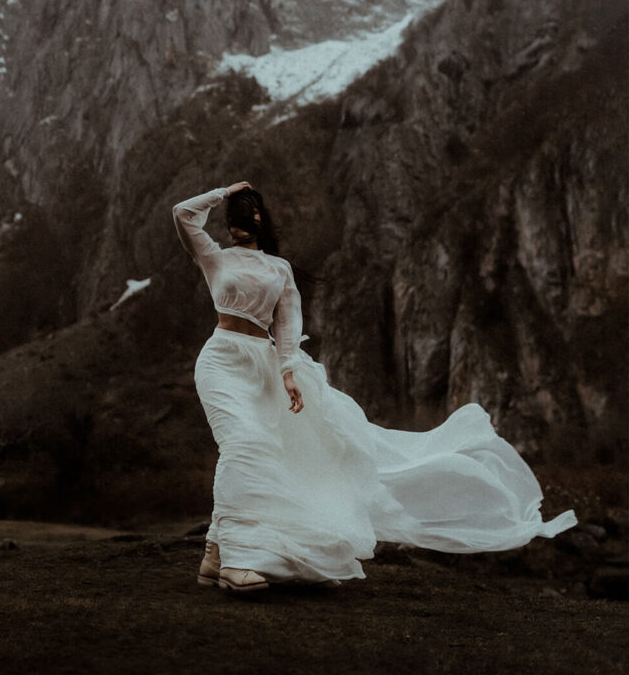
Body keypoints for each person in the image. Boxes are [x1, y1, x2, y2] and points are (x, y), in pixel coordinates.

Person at [172, 181, 577, 593]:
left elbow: (287, 324)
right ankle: (238, 559)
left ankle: (214, 554)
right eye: (236, 217)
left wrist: (289, 372)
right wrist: (224, 192)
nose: (243, 223)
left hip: (263, 364)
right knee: (244, 446)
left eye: (251, 214)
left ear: (261, 221)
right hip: (222, 359)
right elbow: (182, 214)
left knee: (261, 450)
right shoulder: (214, 257)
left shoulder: (279, 269)